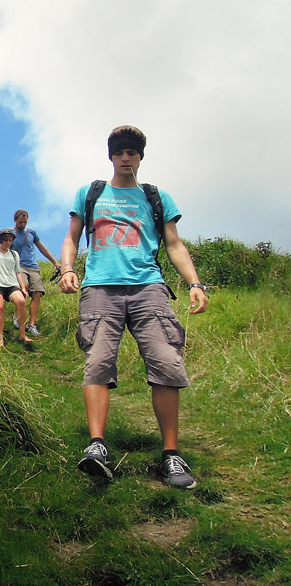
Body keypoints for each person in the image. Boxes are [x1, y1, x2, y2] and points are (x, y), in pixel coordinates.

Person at [58, 125, 208, 489]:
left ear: (140, 156)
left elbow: (174, 244)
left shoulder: (156, 198)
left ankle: (171, 455)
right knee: (98, 363)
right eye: (120, 152)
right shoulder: (90, 193)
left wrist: (195, 283)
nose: (126, 158)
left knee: (167, 363)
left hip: (149, 289)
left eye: (132, 152)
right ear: (111, 156)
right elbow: (72, 237)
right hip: (100, 290)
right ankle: (97, 448)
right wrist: (66, 269)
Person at [11, 209, 61, 336]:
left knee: (37, 292)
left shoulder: (31, 233)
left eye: (25, 222)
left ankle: (32, 324)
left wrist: (55, 262)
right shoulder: (9, 234)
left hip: (33, 267)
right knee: (24, 288)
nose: (23, 225)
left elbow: (42, 248)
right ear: (15, 220)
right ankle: (17, 317)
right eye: (21, 222)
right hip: (19, 266)